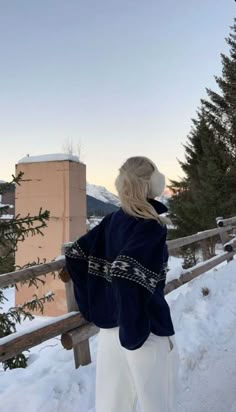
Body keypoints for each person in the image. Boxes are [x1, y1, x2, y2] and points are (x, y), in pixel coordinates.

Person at [65, 156, 179, 412]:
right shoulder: (151, 226)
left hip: (112, 333)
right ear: (150, 183)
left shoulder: (112, 221)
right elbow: (124, 274)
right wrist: (133, 330)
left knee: (111, 405)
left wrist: (95, 307)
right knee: (158, 403)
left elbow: (75, 255)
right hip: (144, 331)